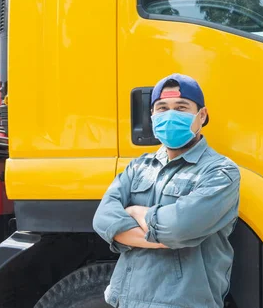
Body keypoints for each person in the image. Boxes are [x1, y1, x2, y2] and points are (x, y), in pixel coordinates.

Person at [93, 73, 241, 308]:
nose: (170, 115)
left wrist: (136, 212)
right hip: (124, 301)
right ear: (152, 116)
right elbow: (103, 220)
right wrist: (165, 239)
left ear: (201, 115)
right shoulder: (139, 166)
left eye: (181, 108)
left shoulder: (220, 172)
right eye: (162, 108)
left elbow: (179, 228)